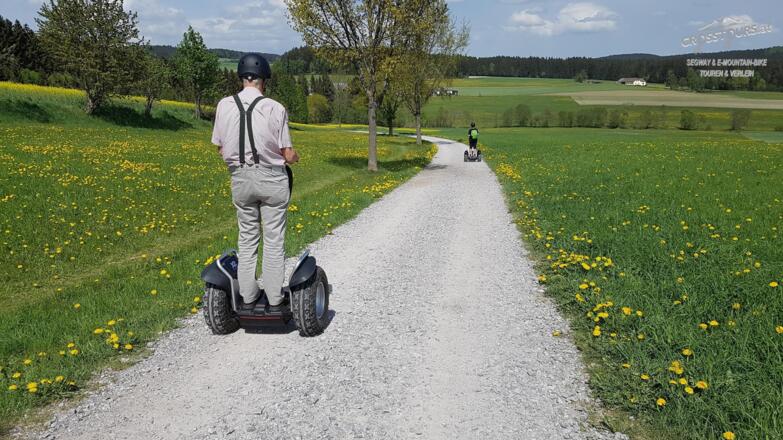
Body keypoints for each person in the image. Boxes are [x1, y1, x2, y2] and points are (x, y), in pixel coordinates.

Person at [211, 53, 299, 312]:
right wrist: (295, 158)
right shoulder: (275, 107)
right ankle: (274, 299)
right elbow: (287, 153)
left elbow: (219, 147)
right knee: (273, 239)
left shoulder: (224, 105)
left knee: (247, 238)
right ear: (264, 81)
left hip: (240, 177)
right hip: (271, 177)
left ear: (242, 78)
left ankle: (248, 297)